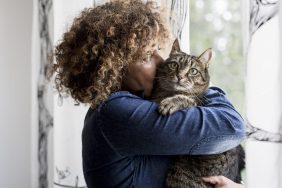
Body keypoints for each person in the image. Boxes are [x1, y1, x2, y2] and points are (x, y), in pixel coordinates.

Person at [51, 0, 245, 187]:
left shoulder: (125, 106)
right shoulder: (116, 112)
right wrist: (200, 85)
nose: (161, 61)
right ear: (114, 67)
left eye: (157, 49)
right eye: (146, 56)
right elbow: (232, 126)